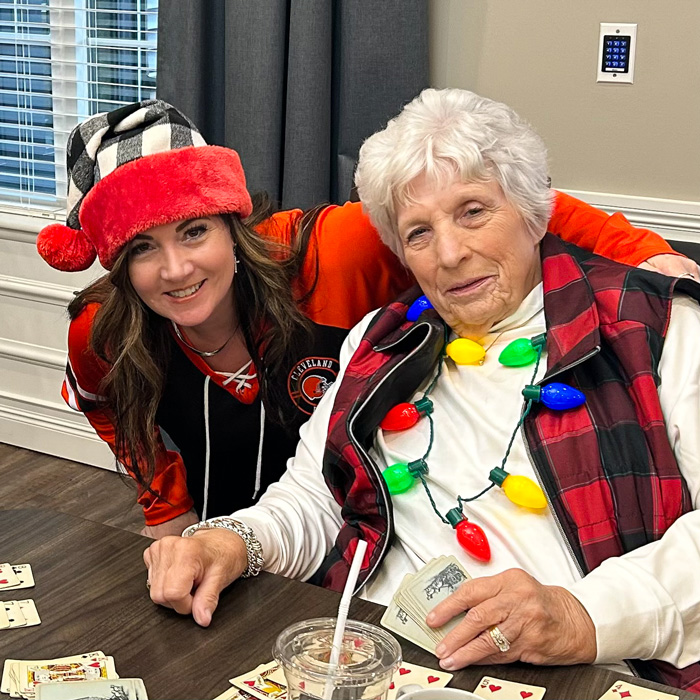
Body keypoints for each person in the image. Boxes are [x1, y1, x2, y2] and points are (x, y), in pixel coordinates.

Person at [143, 89, 700, 693]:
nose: (451, 255)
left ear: (533, 209)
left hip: (579, 673)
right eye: (418, 233)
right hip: (372, 657)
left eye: (473, 212)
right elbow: (313, 498)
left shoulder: (654, 328)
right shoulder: (383, 341)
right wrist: (233, 540)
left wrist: (583, 615)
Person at [38, 100, 691, 540]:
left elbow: (496, 206)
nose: (177, 269)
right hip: (236, 540)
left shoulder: (328, 254)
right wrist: (167, 502)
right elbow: (110, 411)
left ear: (233, 224)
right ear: (116, 266)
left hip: (362, 539)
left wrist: (645, 255)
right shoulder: (98, 333)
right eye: (142, 250)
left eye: (194, 231)